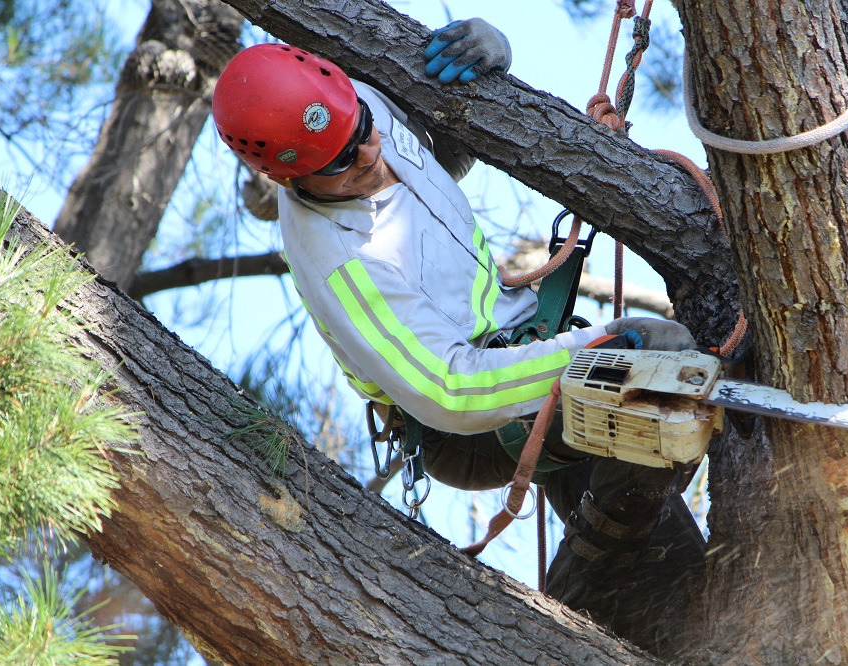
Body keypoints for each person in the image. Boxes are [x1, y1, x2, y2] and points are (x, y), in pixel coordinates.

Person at [212, 20, 706, 653]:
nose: (371, 156)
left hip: (515, 343)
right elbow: (454, 391)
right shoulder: (341, 264)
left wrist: (495, 51)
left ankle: (674, 618)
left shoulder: (354, 106)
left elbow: (432, 167)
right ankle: (563, 610)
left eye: (363, 132)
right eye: (341, 164)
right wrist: (602, 348)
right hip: (464, 425)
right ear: (288, 178)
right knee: (636, 408)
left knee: (665, 556)